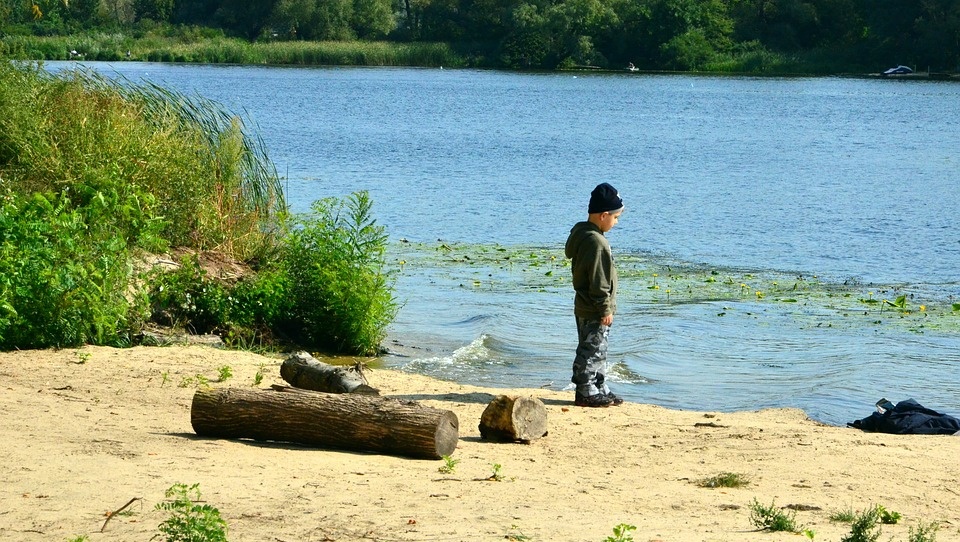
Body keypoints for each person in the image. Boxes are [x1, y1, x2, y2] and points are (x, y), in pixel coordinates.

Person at [564, 183, 625, 407]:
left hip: (585, 305)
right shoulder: (596, 242)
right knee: (591, 350)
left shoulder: (585, 235)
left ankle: (599, 386)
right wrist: (604, 308)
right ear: (603, 215)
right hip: (593, 307)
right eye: (615, 217)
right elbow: (598, 280)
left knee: (599, 349)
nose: (616, 222)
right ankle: (585, 390)